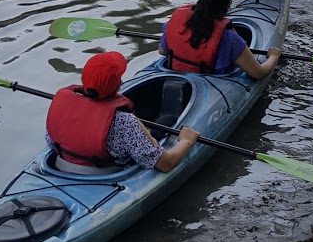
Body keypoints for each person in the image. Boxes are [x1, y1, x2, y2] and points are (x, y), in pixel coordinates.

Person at [46, 50, 199, 176]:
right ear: (117, 84)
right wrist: (186, 141)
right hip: (105, 175)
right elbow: (166, 164)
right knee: (167, 120)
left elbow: (50, 141)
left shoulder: (62, 104)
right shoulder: (125, 121)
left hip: (60, 165)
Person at [160, 0, 281, 79]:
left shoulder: (178, 18)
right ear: (228, 5)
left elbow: (162, 51)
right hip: (208, 84)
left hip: (175, 75)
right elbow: (258, 73)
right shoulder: (229, 38)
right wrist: (274, 57)